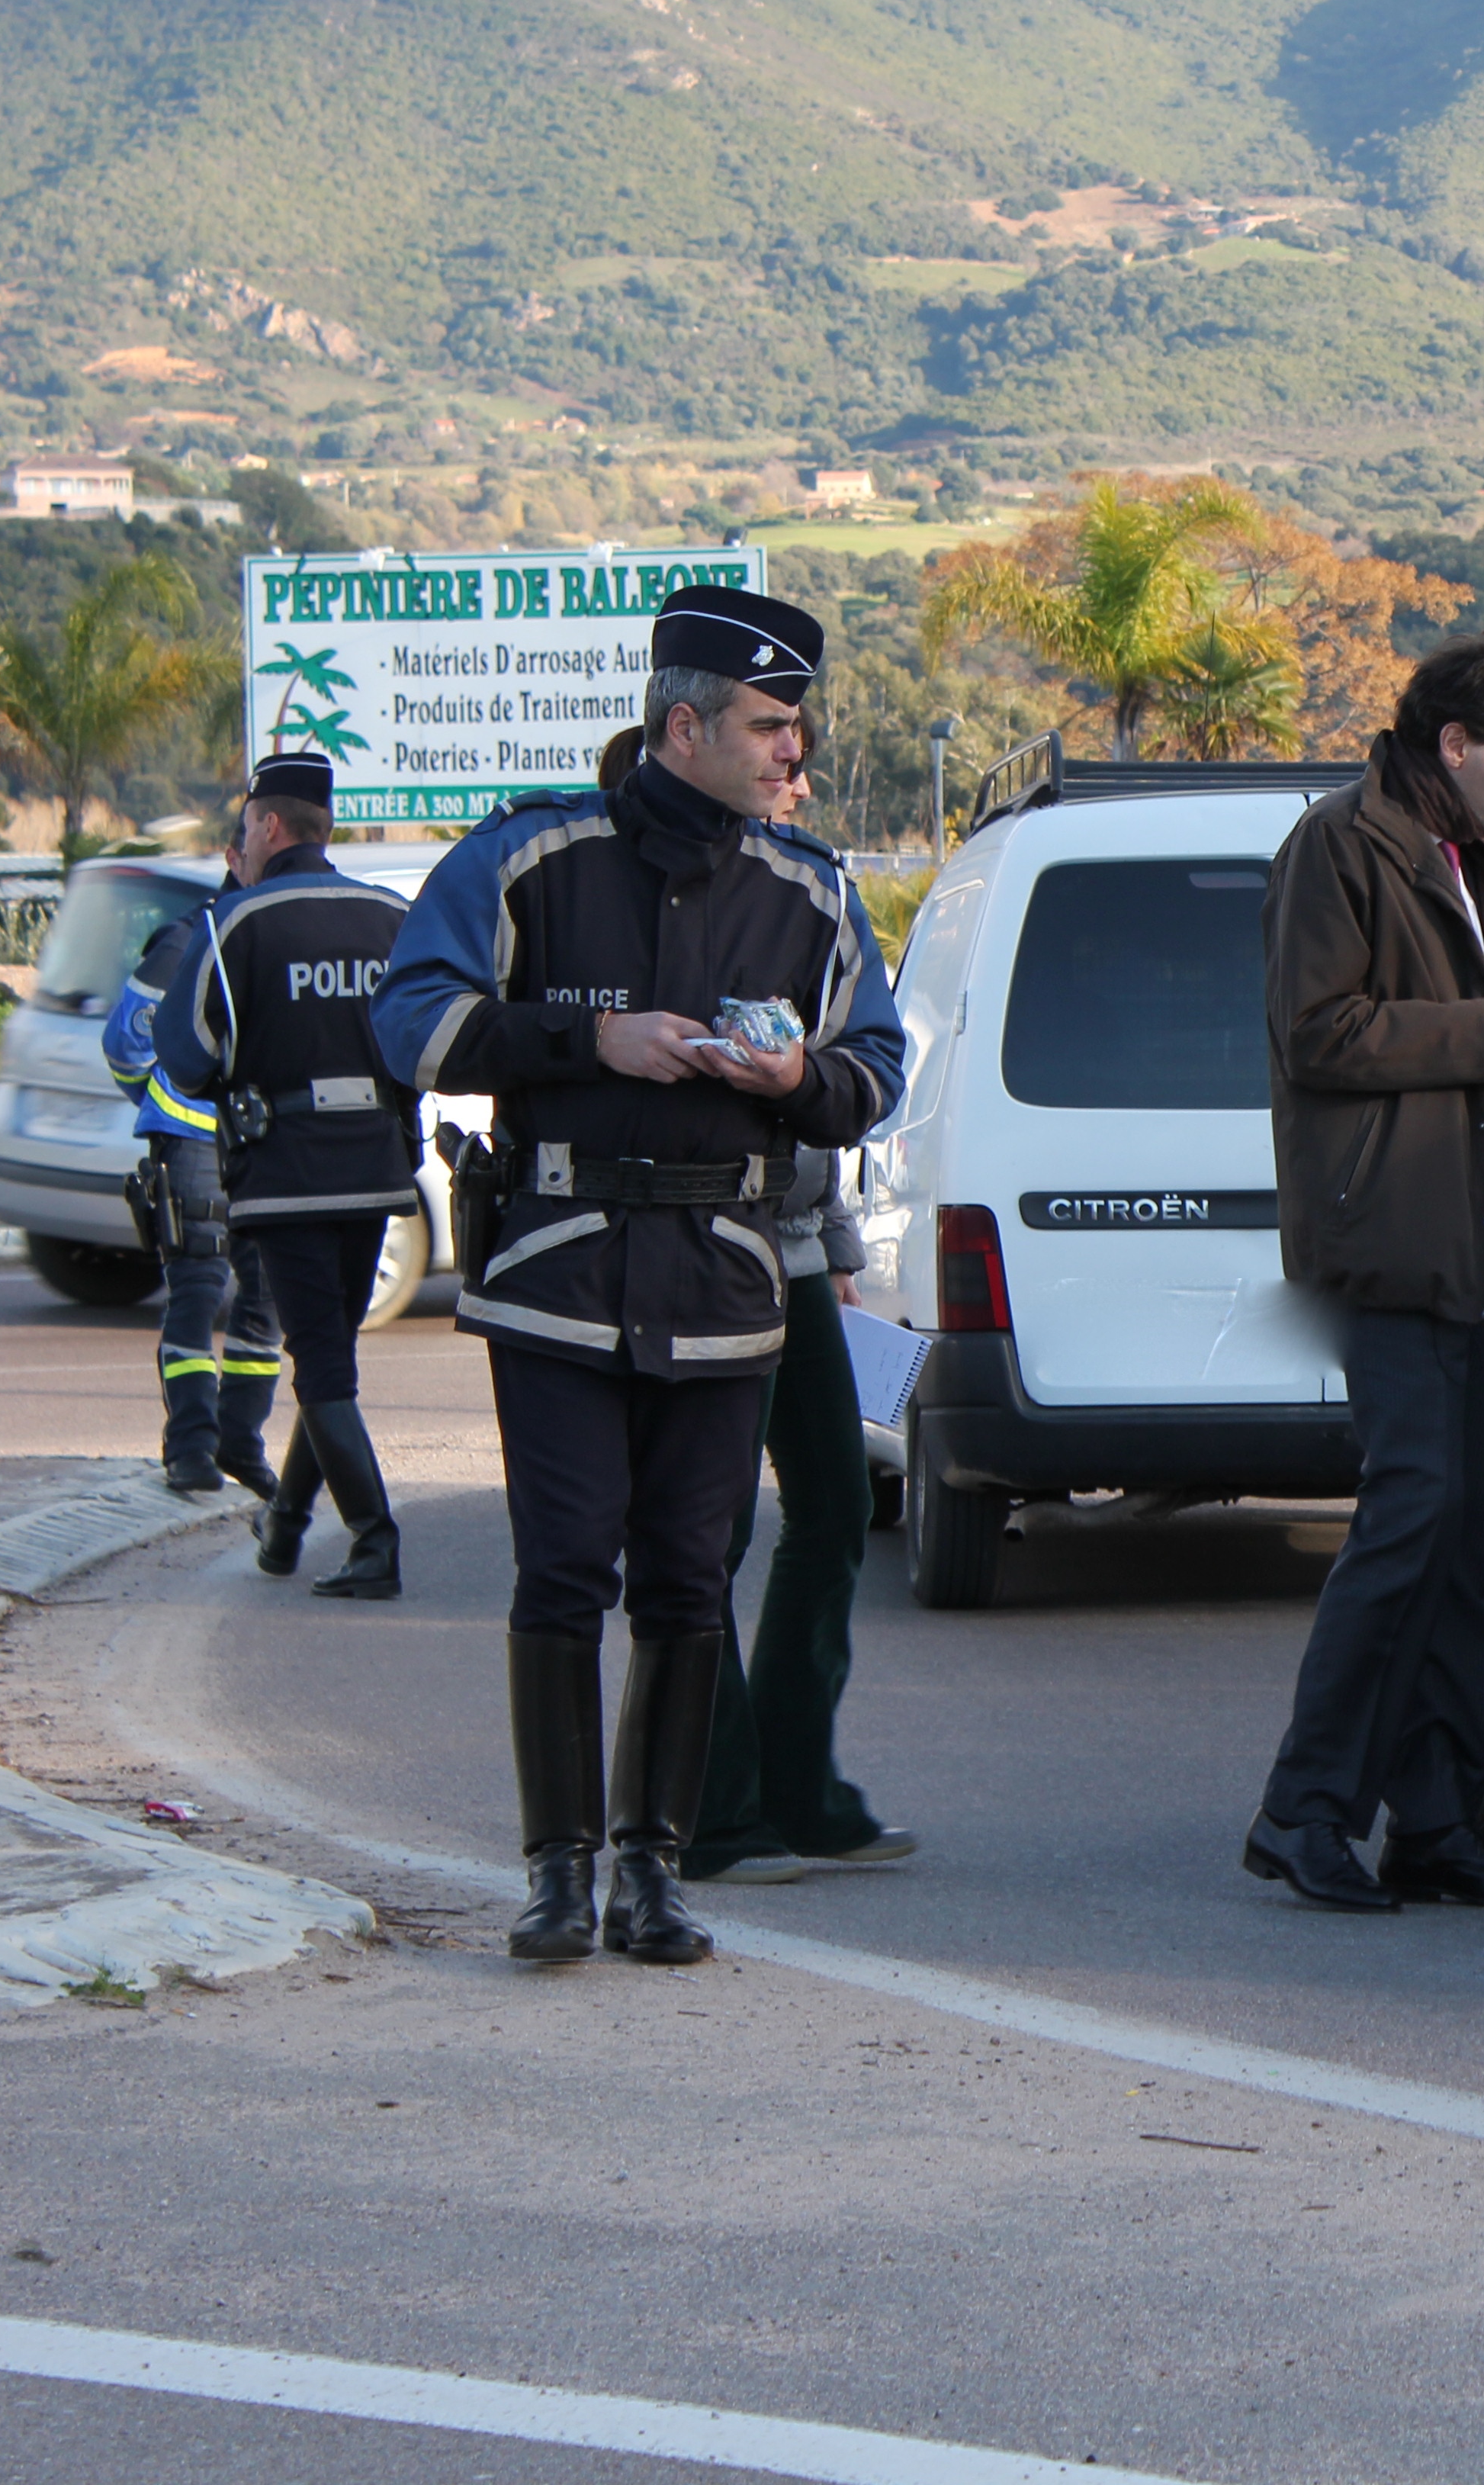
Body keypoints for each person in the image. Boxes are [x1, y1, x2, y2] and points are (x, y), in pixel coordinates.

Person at [371, 584, 907, 1969]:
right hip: (557, 1269)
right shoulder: (531, 856)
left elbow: (876, 1070)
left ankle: (654, 1874)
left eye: (796, 727)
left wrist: (796, 1079)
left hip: (725, 1284)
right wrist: (584, 1040)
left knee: (685, 1579)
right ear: (683, 725)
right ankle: (556, 1875)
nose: (794, 753)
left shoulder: (809, 890)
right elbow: (410, 1021)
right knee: (563, 1571)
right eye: (769, 726)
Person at [1247, 631, 1484, 1913]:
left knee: (1463, 1537)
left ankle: (1435, 1821)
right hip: (1394, 1236)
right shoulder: (1336, 846)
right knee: (1411, 1515)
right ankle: (1304, 1812)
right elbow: (1318, 1035)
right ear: (1454, 744)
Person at [679, 736, 909, 1887]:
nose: (800, 780)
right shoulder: (665, 900)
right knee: (703, 1538)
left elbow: (848, 1075)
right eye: (781, 755)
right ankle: (712, 1808)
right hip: (703, 1253)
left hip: (800, 1255)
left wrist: (840, 1252)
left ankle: (798, 1787)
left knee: (835, 1504)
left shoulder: (805, 895)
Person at [151, 754, 421, 1599]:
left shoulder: (234, 923)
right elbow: (424, 1041)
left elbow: (182, 1055)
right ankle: (286, 1527)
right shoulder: (390, 917)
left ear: (268, 826)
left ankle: (375, 1541)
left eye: (246, 828)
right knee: (327, 1352)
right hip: (374, 1167)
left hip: (285, 1174)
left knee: (325, 1365)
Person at [102, 834, 280, 1501]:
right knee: (199, 1291)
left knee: (266, 1298)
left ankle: (241, 1441)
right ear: (234, 859)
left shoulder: (284, 930)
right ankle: (191, 1449)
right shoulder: (189, 938)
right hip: (196, 1144)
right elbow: (126, 1044)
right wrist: (173, 1102)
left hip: (268, 1144)